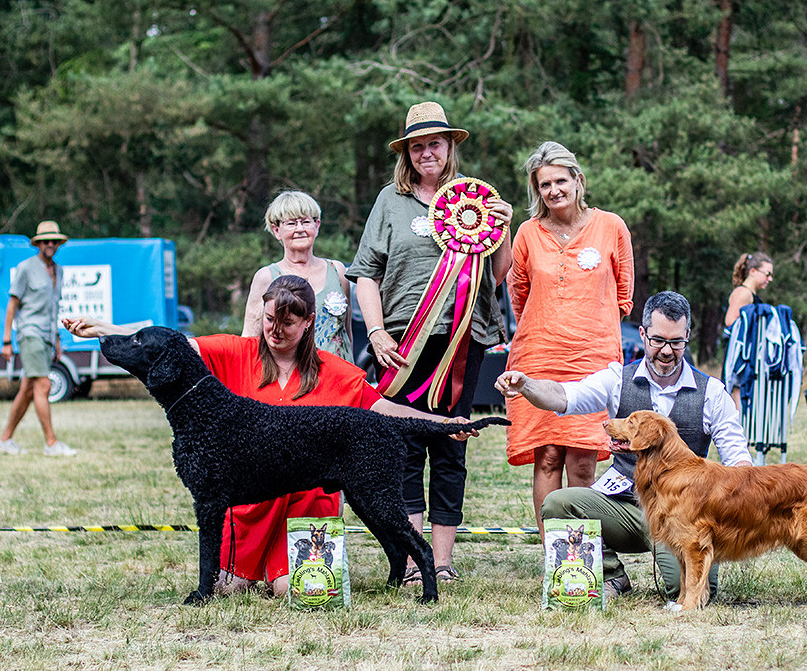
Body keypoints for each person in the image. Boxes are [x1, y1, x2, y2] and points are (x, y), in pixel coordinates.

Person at [65, 275, 474, 597]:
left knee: (297, 591)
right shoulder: (236, 350)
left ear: (309, 322)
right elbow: (167, 345)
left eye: (287, 323)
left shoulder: (333, 368)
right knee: (230, 590)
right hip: (251, 513)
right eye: (269, 320)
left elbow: (381, 409)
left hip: (307, 504)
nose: (275, 330)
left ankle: (411, 567)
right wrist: (105, 330)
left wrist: (443, 425)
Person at [347, 100, 513, 585]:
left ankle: (442, 562)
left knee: (451, 446)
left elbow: (498, 275)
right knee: (401, 447)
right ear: (407, 152)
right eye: (417, 146)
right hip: (401, 342)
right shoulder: (389, 201)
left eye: (434, 144)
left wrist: (503, 226)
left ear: (449, 147)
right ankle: (415, 560)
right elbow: (365, 274)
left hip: (466, 340)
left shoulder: (479, 200)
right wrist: (375, 332)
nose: (427, 153)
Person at [495, 291, 753, 602]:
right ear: (643, 334)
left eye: (676, 342)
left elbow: (739, 461)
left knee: (679, 591)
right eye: (658, 340)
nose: (667, 351)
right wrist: (527, 385)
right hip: (627, 506)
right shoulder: (617, 379)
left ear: (687, 336)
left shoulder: (712, 393)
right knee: (558, 503)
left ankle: (689, 573)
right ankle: (611, 575)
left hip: (682, 514)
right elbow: (564, 396)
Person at [504, 141, 634, 535]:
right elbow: (519, 294)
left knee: (583, 460)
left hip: (593, 359)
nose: (554, 190)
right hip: (538, 356)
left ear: (578, 180)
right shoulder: (527, 233)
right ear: (536, 190)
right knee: (547, 457)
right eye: (544, 185)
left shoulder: (611, 226)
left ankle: (584, 551)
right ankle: (553, 556)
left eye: (560, 180)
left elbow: (625, 294)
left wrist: (588, 324)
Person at [0, 221, 77, 457]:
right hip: (30, 333)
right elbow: (12, 305)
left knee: (29, 389)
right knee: (44, 385)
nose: (50, 244)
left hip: (48, 336)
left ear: (58, 244)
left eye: (54, 241)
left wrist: (58, 339)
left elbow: (54, 308)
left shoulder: (59, 271)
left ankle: (5, 439)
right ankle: (51, 444)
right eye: (46, 241)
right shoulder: (26, 268)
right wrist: (6, 340)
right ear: (38, 243)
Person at [242, 191, 353, 361]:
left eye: (306, 222)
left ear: (317, 226)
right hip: (292, 380)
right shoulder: (266, 277)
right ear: (276, 230)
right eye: (292, 223)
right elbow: (250, 340)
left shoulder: (338, 272)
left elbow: (346, 333)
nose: (300, 229)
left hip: (339, 380)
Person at [723, 252, 773, 408]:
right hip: (739, 358)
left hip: (747, 357)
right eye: (767, 274)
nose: (770, 279)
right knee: (738, 405)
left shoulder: (749, 294)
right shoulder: (743, 293)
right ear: (753, 272)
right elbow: (730, 321)